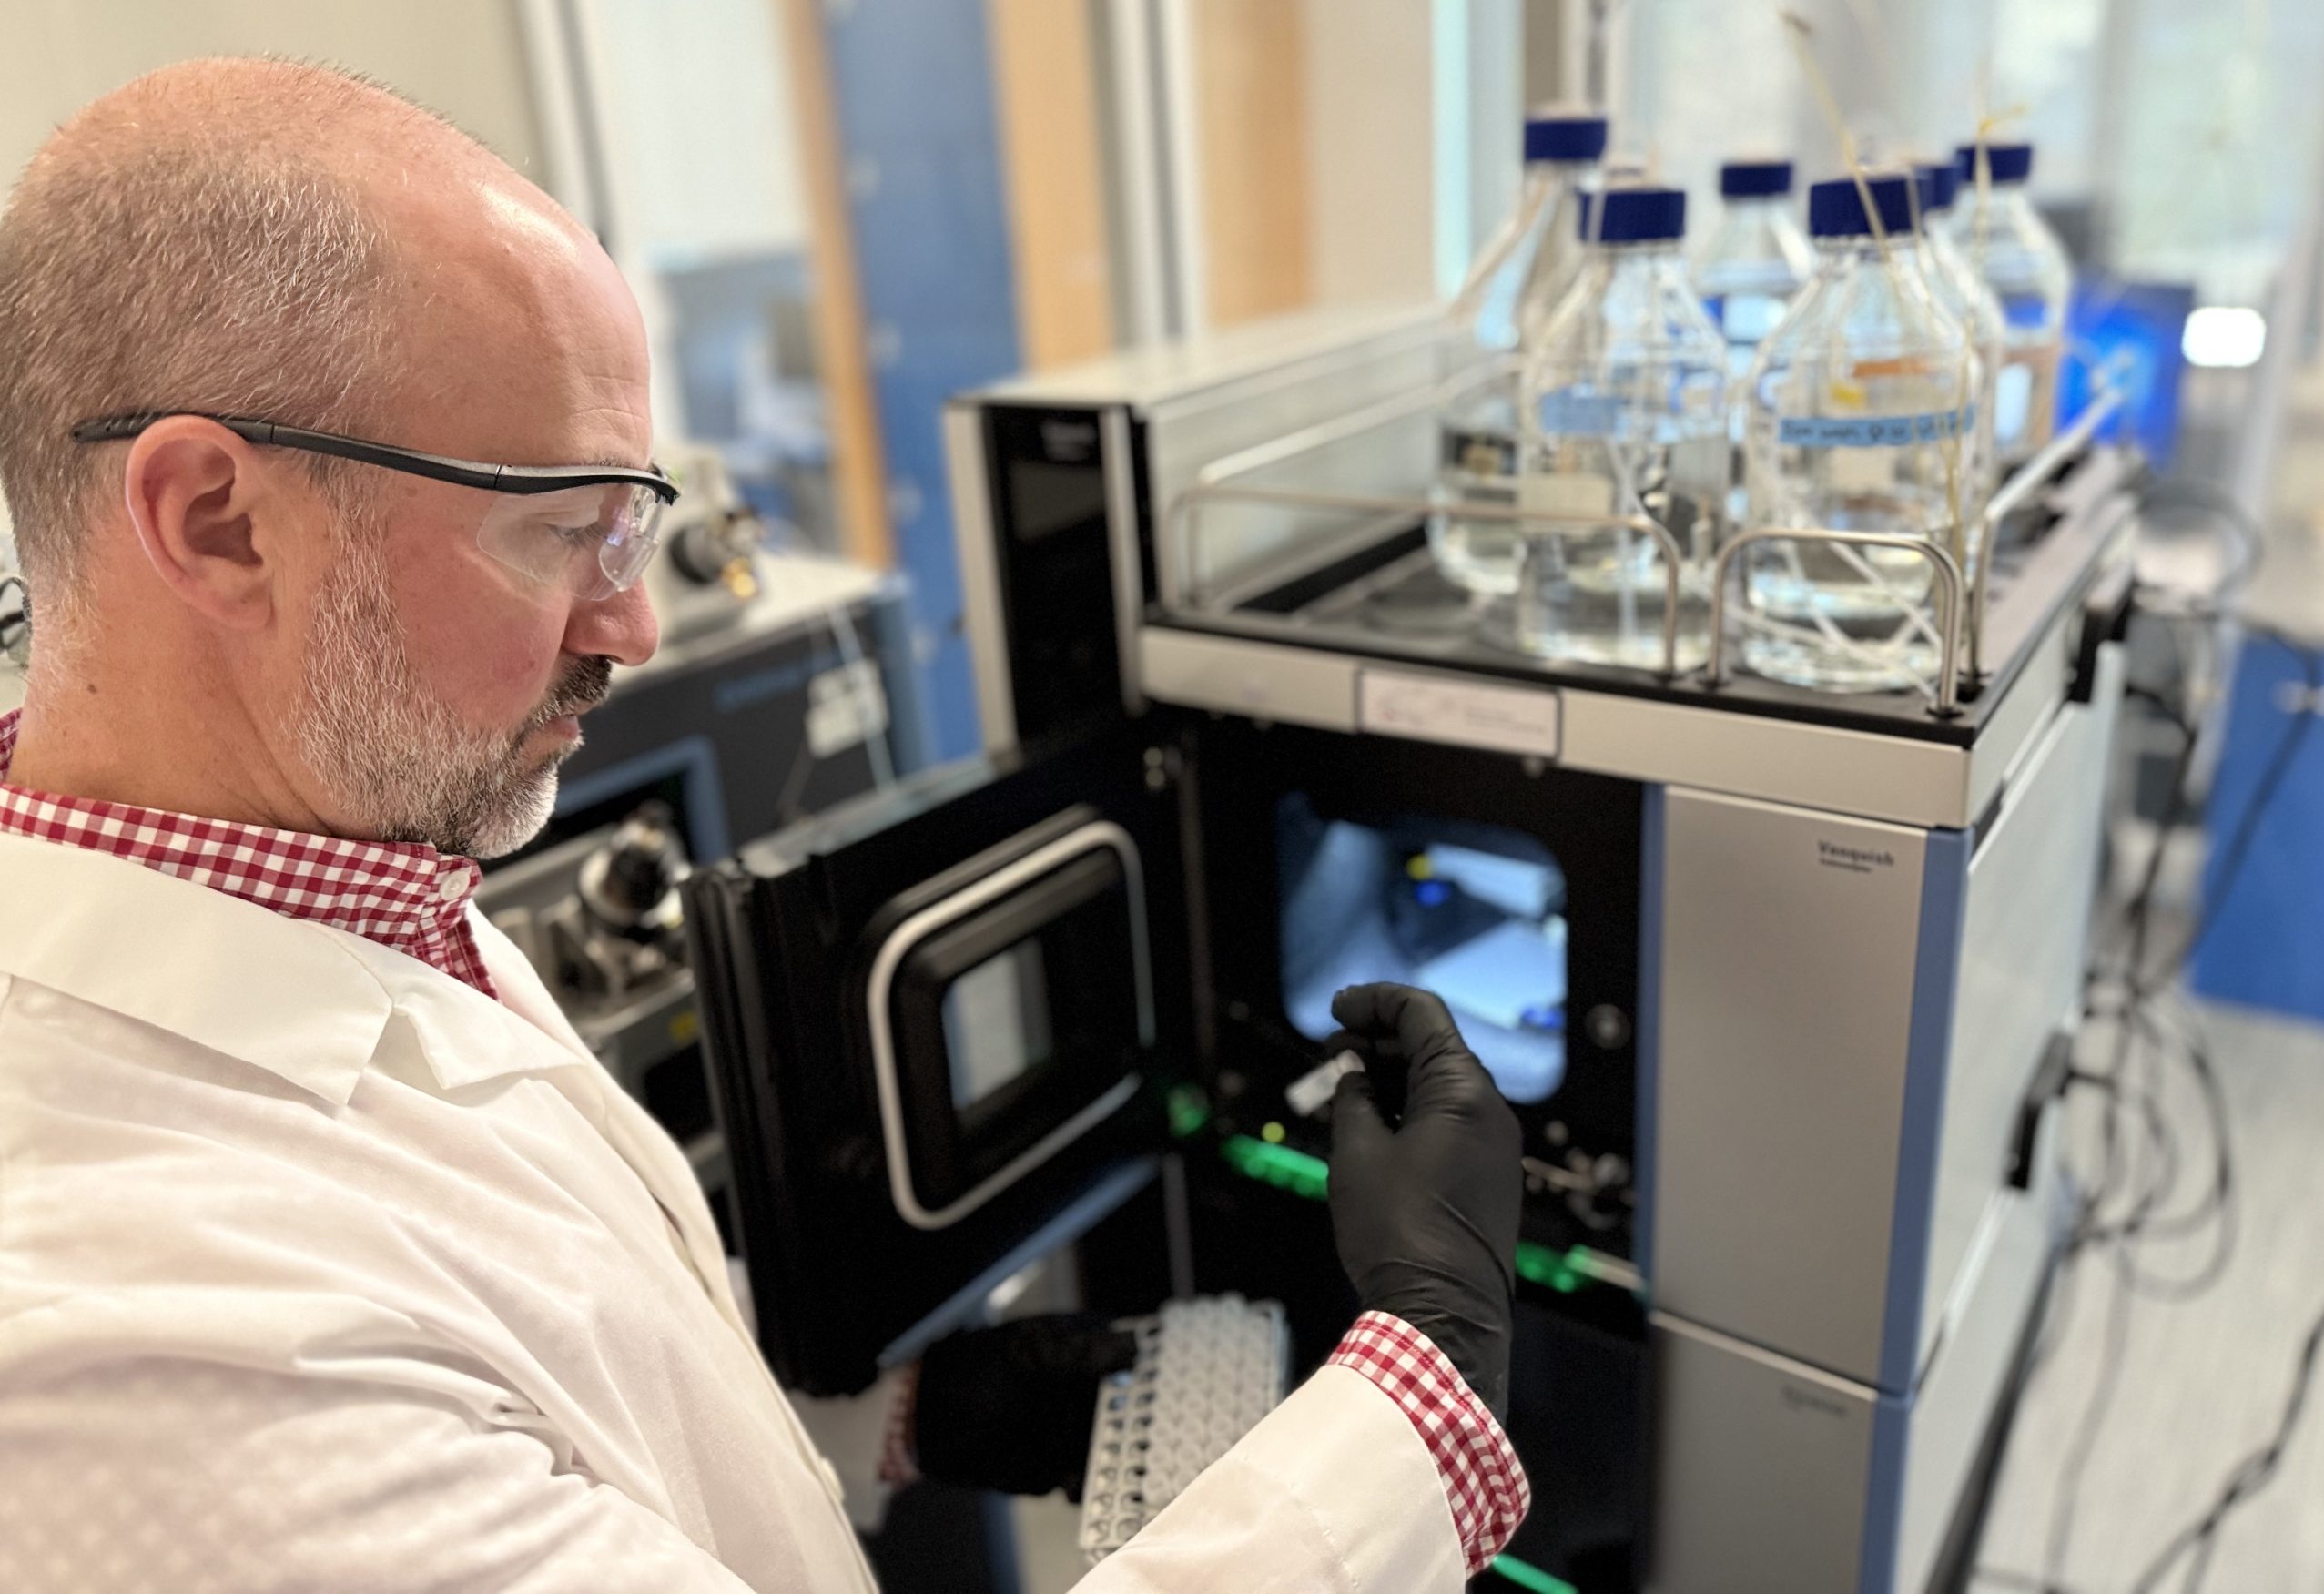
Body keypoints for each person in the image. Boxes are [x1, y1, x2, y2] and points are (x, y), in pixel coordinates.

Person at [0, 59, 1529, 1591]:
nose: (636, 621)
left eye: (635, 521)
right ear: (216, 519)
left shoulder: (339, 851)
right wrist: (1424, 1394)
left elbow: (537, 1339)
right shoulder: (133, 1346)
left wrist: (891, 1419)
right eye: (562, 529)